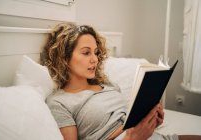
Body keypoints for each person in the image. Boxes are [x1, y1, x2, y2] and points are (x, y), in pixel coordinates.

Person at [40, 22, 201, 140]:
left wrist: (150, 122)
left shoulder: (108, 85)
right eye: (86, 53)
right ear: (65, 59)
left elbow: (128, 121)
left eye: (96, 52)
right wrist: (131, 138)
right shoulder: (59, 102)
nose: (95, 59)